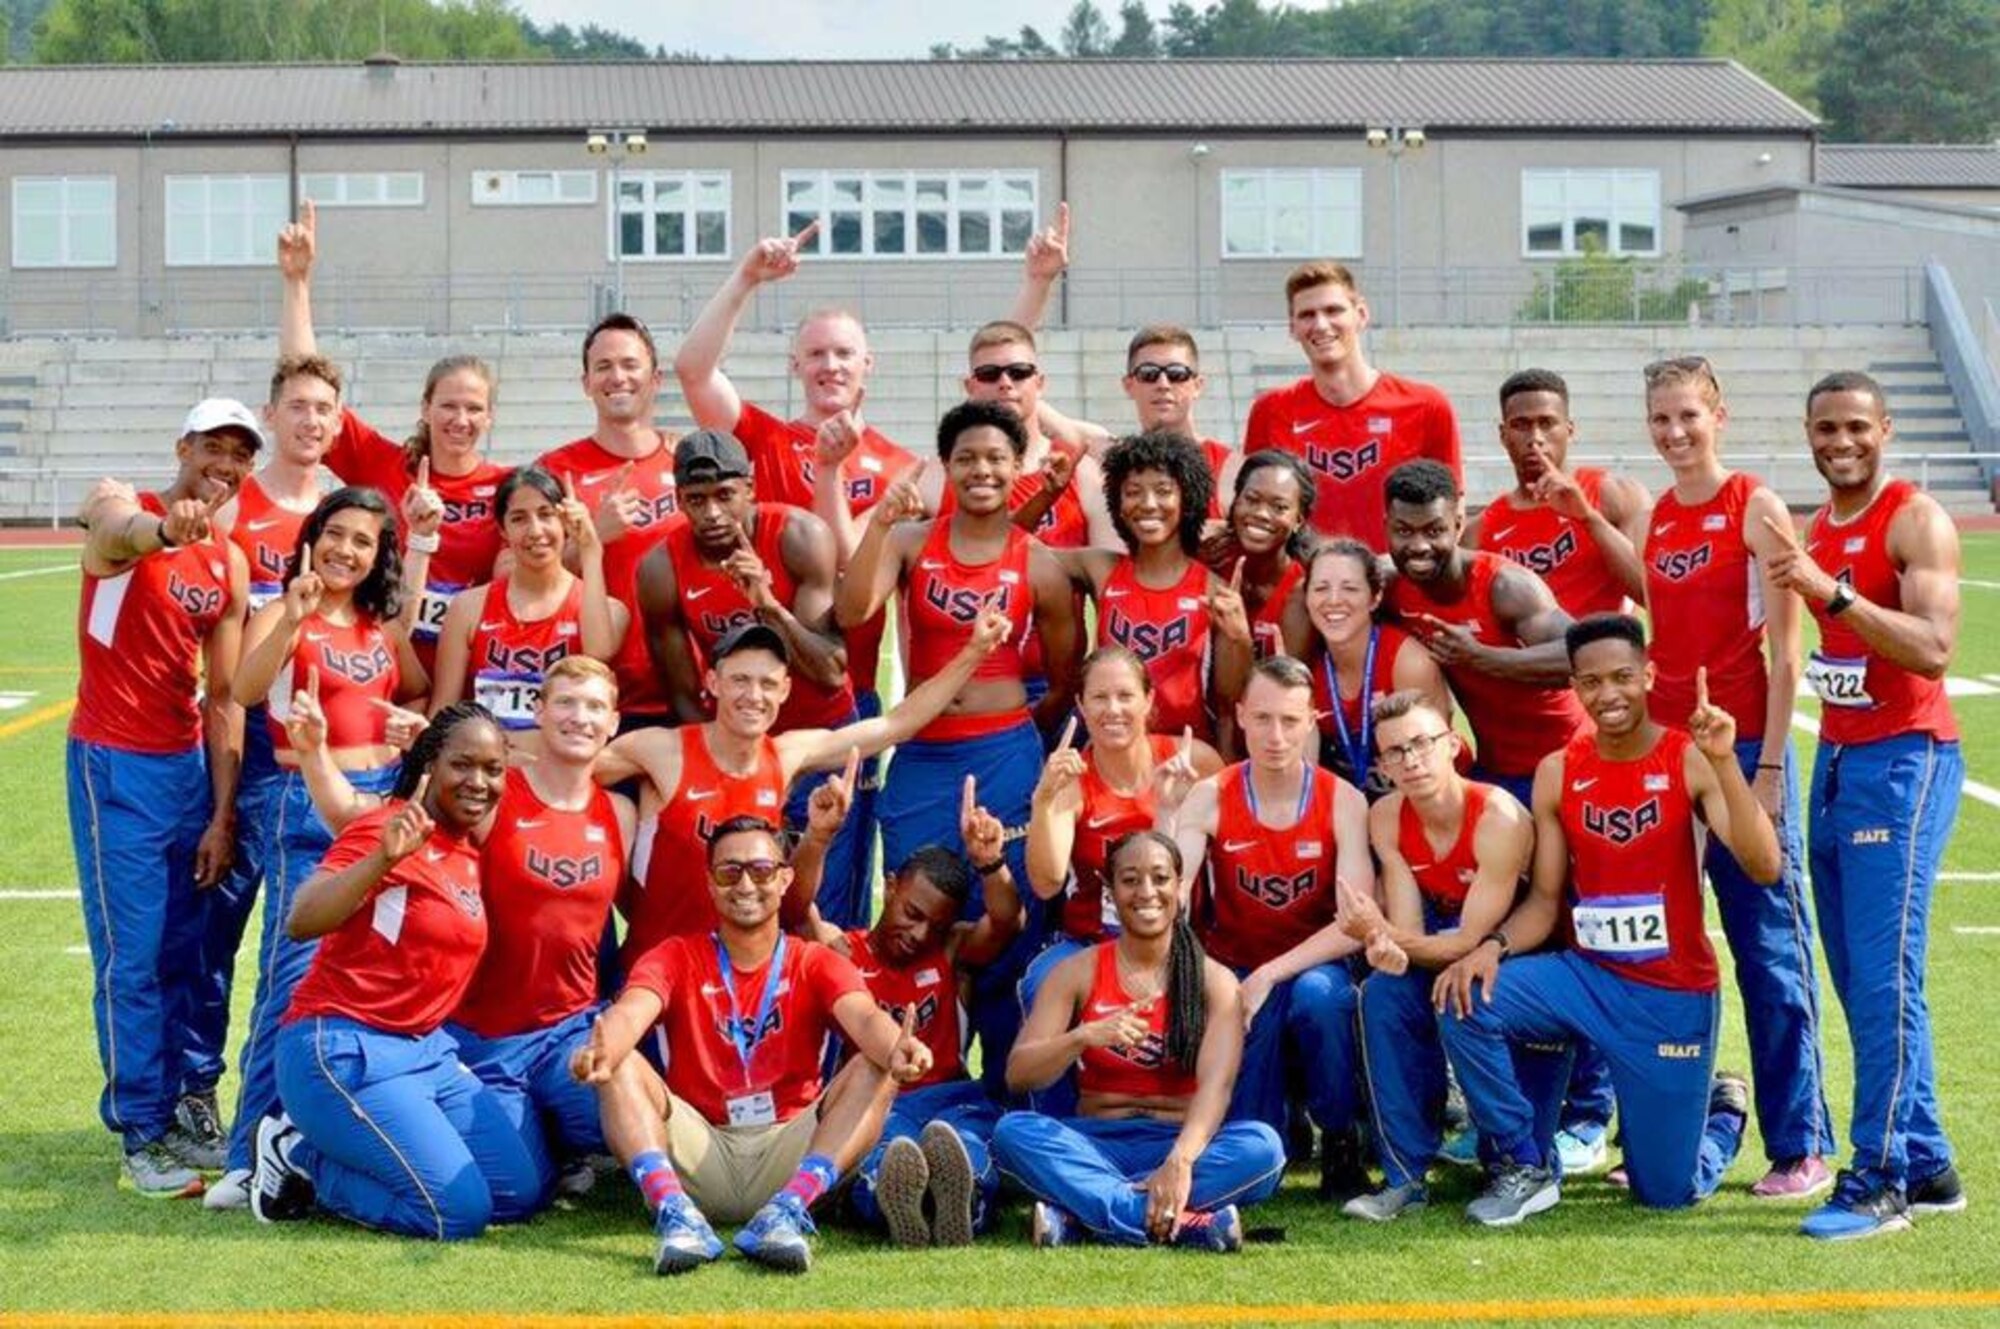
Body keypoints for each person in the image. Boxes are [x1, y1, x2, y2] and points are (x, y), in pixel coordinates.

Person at [1434, 615, 1768, 1225]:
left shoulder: (1687, 759)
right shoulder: (1558, 771)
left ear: (1648, 675)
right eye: (1590, 682)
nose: (1607, 694)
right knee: (1465, 995)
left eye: (1621, 677)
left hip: (1670, 994)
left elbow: (1764, 863)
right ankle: (1522, 1162)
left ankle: (1722, 1114)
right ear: (1575, 687)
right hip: (1587, 981)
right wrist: (1493, 948)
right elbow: (1545, 901)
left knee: (1664, 1190)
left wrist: (1724, 763)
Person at [289, 654, 639, 1205]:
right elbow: (368, 822)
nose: (581, 718)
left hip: (566, 1031)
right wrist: (314, 756)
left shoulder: (619, 812)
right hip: (486, 1041)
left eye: (596, 706)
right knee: (512, 1194)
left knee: (623, 1117)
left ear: (615, 721)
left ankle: (554, 1137)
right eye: (566, 703)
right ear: (539, 712)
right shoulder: (493, 801)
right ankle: (309, 1157)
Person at [1763, 372, 1966, 1238]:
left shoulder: (1915, 518)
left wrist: (1832, 591)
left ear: (1884, 428)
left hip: (1906, 759)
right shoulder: (1821, 521)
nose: (1839, 441)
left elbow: (1932, 648)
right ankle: (1926, 1160)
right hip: (1842, 757)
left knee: (1885, 978)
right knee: (1854, 975)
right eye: (1824, 427)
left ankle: (1878, 1177)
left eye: (1855, 426)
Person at [836, 400, 1082, 1089]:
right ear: (946, 466)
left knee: (1008, 922)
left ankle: (1009, 1091)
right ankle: (913, 1076)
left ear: (1018, 468)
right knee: (914, 914)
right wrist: (880, 524)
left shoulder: (1040, 565)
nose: (981, 469)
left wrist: (1013, 743)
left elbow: (1064, 679)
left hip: (1004, 755)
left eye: (996, 458)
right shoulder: (913, 541)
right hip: (921, 757)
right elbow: (855, 610)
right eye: (967, 457)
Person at [571, 817, 934, 1274]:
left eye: (761, 871)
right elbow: (631, 1011)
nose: (745, 884)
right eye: (729, 872)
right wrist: (603, 1050)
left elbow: (863, 1018)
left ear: (785, 879)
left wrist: (899, 1049)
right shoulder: (674, 955)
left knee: (875, 1067)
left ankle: (786, 1214)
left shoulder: (815, 961)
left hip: (788, 1151)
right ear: (710, 882)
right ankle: (676, 1216)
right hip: (701, 1150)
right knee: (620, 1064)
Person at [1641, 355, 1835, 1198]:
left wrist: (1763, 767)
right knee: (1664, 945)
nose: (1676, 432)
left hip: (1743, 748)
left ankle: (1801, 1143)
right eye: (1661, 419)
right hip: (1670, 756)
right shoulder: (1657, 517)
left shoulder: (1752, 505)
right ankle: (1665, 1126)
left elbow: (1788, 650)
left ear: (1719, 413)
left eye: (1689, 415)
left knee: (1767, 945)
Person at [251, 703, 548, 1239]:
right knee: (458, 1212)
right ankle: (298, 1156)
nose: (478, 782)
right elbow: (302, 919)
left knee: (516, 1191)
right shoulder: (390, 827)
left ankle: (348, 1146)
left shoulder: (465, 844)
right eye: (463, 765)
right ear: (429, 764)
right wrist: (382, 861)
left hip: (424, 1051)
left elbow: (535, 768)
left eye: (492, 769)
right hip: (341, 1044)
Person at [215, 486, 427, 1204]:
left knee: (367, 974)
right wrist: (293, 619)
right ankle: (247, 1150)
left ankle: (315, 1137)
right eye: (335, 534)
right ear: (313, 535)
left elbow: (420, 693)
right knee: (291, 976)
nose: (346, 551)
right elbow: (244, 686)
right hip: (302, 801)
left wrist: (406, 721)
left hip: (382, 796)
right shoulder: (286, 609)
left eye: (363, 541)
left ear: (378, 555)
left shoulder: (379, 623)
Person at [68, 399, 257, 1197]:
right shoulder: (126, 508)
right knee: (133, 955)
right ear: (182, 446)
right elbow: (112, 533)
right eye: (211, 447)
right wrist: (163, 532)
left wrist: (220, 810)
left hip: (185, 769)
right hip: (114, 763)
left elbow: (224, 694)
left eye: (238, 454)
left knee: (188, 950)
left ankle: (183, 1107)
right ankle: (140, 1131)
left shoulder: (229, 561)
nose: (223, 464)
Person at [600, 610, 1012, 966]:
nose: (753, 695)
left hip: (740, 977)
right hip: (654, 969)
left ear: (785, 690)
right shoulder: (660, 750)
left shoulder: (787, 756)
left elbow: (897, 724)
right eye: (740, 680)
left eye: (767, 683)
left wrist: (974, 651)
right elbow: (565, 774)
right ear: (712, 682)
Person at [184, 359, 338, 1183]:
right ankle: (198, 1091)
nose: (311, 421)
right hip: (238, 753)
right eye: (298, 407)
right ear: (274, 414)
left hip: (308, 768)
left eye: (325, 409)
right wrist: (223, 795)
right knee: (215, 936)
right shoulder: (233, 513)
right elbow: (229, 678)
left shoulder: (342, 511)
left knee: (293, 952)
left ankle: (274, 1116)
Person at [994, 832, 1286, 1250]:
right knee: (1013, 1132)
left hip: (1180, 1141)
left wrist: (1180, 1161)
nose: (1147, 892)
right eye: (1130, 880)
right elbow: (1019, 1074)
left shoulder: (1214, 981)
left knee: (1264, 1149)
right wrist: (1083, 1036)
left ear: (1179, 886)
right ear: (1110, 891)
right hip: (1096, 1142)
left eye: (1160, 878)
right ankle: (1181, 1222)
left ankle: (1082, 1215)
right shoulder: (1075, 972)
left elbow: (1217, 1089)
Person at [635, 430, 870, 927]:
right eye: (696, 501)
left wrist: (767, 606)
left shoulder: (799, 537)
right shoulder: (661, 567)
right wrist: (734, 767)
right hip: (743, 753)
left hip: (819, 736)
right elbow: (684, 697)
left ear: (751, 487)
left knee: (822, 905)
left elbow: (830, 670)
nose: (713, 514)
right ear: (678, 499)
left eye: (725, 496)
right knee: (746, 899)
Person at [1165, 655, 1375, 1198]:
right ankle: (1274, 1130)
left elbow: (1354, 922)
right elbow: (1172, 891)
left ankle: (1341, 1134)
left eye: (1289, 720)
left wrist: (1270, 974)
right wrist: (1167, 818)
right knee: (1257, 1146)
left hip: (1310, 964)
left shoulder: (1342, 801)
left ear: (1312, 721)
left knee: (1320, 999)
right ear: (1239, 717)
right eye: (1262, 719)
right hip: (1234, 965)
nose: (1275, 735)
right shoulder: (1211, 795)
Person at [278, 199, 509, 669]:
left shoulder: (508, 486)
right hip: (378, 663)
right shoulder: (383, 463)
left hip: (463, 674)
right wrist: (297, 283)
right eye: (447, 405)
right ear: (425, 408)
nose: (459, 420)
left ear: (490, 417)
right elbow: (306, 380)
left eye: (473, 409)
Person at [1336, 691, 1533, 1220]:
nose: (1411, 760)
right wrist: (1383, 942)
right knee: (1381, 995)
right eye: (1395, 752)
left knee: (1462, 991)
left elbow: (1470, 940)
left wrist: (1384, 935)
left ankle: (1519, 1164)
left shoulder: (1498, 816)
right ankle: (1405, 1176)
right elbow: (1408, 932)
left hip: (1513, 954)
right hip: (1447, 945)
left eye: (1422, 744)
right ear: (1382, 765)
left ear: (1453, 745)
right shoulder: (1385, 817)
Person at [803, 774, 1024, 1247]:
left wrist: (992, 864)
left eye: (935, 925)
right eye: (912, 913)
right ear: (888, 886)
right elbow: (797, 910)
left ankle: (963, 1203)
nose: (920, 934)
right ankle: (892, 1202)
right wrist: (819, 838)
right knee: (885, 1151)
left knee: (965, 1144)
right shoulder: (840, 950)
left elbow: (1008, 920)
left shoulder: (950, 951)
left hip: (950, 1097)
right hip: (876, 1103)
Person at [1020, 649, 1225, 1059]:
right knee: (1041, 981)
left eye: (1125, 696)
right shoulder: (1072, 779)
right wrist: (1044, 800)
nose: (1113, 709)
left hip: (1181, 939)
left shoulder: (1195, 761)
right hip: (1092, 943)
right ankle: (1052, 1118)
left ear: (1148, 701)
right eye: (1098, 697)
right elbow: (1046, 884)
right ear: (1080, 704)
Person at [1381, 460, 1588, 807]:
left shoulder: (1505, 586)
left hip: (1567, 761)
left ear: (1458, 525)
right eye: (1404, 531)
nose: (1418, 546)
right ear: (1386, 527)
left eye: (1434, 531)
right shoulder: (1390, 587)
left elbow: (1582, 656)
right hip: (1494, 768)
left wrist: (1481, 657)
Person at [1241, 261, 1460, 550]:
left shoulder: (1426, 406)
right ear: (1292, 328)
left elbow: (1452, 512)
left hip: (1397, 584)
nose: (1320, 324)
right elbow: (1256, 509)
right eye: (1307, 315)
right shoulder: (1270, 410)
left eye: (1333, 310)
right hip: (1308, 586)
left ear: (1361, 314)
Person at [1055, 431, 1253, 742]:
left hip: (1185, 757)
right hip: (1113, 750)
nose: (1148, 504)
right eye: (1133, 491)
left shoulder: (1214, 590)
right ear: (1118, 503)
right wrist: (1049, 493)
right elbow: (1014, 549)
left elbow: (1229, 709)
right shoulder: (1101, 569)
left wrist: (1240, 639)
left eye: (1163, 491)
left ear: (1187, 498)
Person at [534, 314, 682, 726]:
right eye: (603, 367)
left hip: (687, 688)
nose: (618, 376)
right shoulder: (555, 470)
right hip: (595, 697)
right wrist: (592, 537)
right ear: (586, 384)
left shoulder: (689, 462)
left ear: (656, 379)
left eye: (630, 364)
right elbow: (516, 575)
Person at [429, 466, 624, 759]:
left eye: (547, 515)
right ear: (503, 530)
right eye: (519, 519)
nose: (535, 531)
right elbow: (443, 711)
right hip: (485, 771)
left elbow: (598, 652)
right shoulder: (468, 608)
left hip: (559, 771)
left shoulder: (608, 609)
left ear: (565, 522)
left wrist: (590, 549)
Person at [1468, 368, 1648, 615]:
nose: (1535, 438)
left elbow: (1652, 594)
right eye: (1521, 425)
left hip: (1601, 649)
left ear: (1570, 430)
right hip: (1525, 652)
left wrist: (1588, 518)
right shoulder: (1480, 531)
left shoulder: (1617, 495)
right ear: (1503, 435)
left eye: (1547, 423)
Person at [1296, 537, 1450, 800]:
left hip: (1425, 797)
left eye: (1350, 589)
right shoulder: (1307, 664)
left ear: (1375, 597)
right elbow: (1302, 775)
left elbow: (1435, 764)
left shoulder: (1407, 663)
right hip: (1356, 803)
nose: (1333, 600)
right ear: (1307, 597)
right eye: (1321, 588)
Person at [1038, 324, 1236, 516]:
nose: (1163, 384)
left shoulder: (1230, 467)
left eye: (1177, 374)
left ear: (1198, 385)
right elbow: (1024, 400)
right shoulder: (1111, 453)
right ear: (1128, 385)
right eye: (1148, 374)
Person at [1206, 450, 1316, 661]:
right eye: (1252, 499)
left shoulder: (1300, 593)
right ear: (1235, 501)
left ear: (1299, 520)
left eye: (1279, 507)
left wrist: (1239, 636)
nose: (1261, 514)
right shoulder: (1210, 558)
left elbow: (1283, 684)